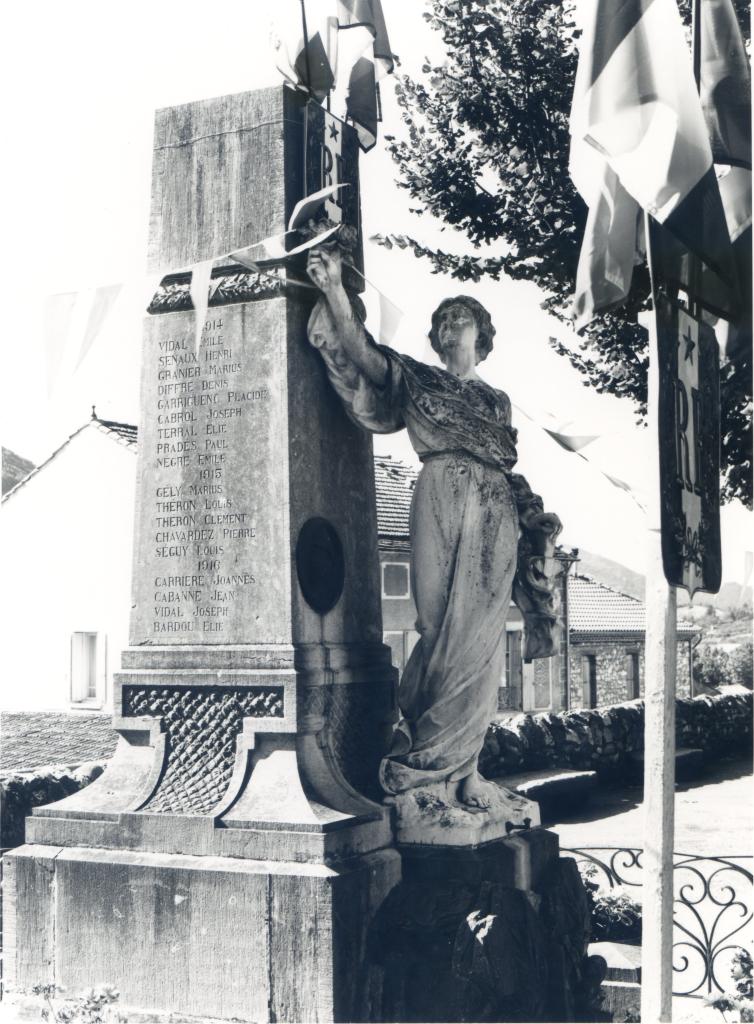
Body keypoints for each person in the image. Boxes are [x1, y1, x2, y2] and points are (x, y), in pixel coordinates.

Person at [306, 226, 561, 810]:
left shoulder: (495, 402)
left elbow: (506, 460)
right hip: (438, 488)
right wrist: (337, 290)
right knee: (436, 623)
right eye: (443, 321)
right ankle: (427, 766)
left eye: (461, 320)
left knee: (477, 637)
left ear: (482, 335)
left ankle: (461, 773)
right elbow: (365, 356)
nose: (450, 329)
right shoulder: (419, 379)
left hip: (494, 505)